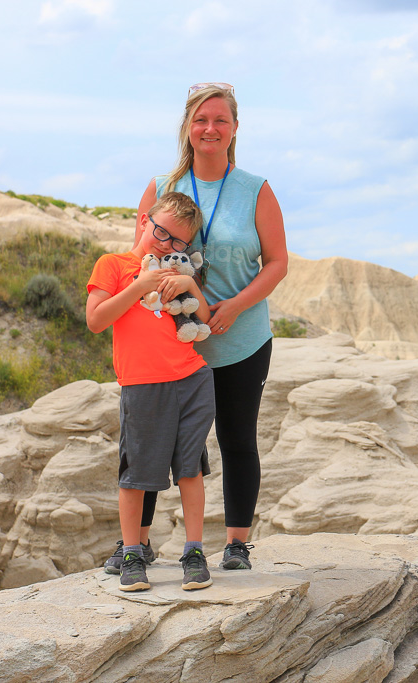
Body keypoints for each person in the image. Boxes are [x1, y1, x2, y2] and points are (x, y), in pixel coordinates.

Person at [107, 81, 288, 572]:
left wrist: (233, 307)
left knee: (236, 439)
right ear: (188, 128)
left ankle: (235, 544)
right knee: (150, 444)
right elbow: (137, 260)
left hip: (239, 338)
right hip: (168, 343)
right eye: (201, 120)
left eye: (220, 120)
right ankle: (136, 544)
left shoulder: (256, 189)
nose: (210, 128)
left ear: (234, 129)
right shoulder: (161, 188)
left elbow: (276, 263)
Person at [86, 192, 216, 592]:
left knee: (190, 470)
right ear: (145, 221)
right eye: (161, 232)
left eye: (179, 242)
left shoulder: (178, 270)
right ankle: (132, 553)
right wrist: (139, 285)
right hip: (142, 386)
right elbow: (95, 319)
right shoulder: (114, 265)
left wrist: (190, 284)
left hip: (192, 379)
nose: (166, 244)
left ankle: (193, 552)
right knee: (136, 475)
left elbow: (205, 317)